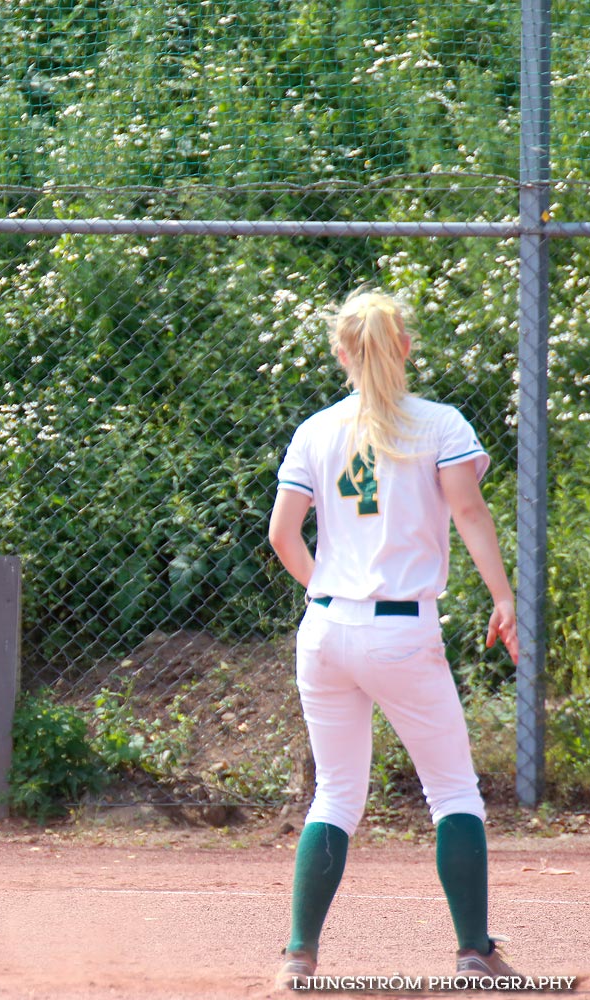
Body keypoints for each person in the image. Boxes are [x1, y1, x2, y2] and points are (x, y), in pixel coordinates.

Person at [267, 290, 524, 987]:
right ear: (405, 346)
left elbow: (282, 536)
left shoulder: (316, 431)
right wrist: (503, 595)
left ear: (341, 353)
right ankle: (474, 950)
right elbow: (468, 510)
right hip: (403, 628)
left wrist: (332, 591)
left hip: (324, 628)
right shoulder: (439, 425)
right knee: (453, 793)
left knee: (337, 794)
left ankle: (300, 955)